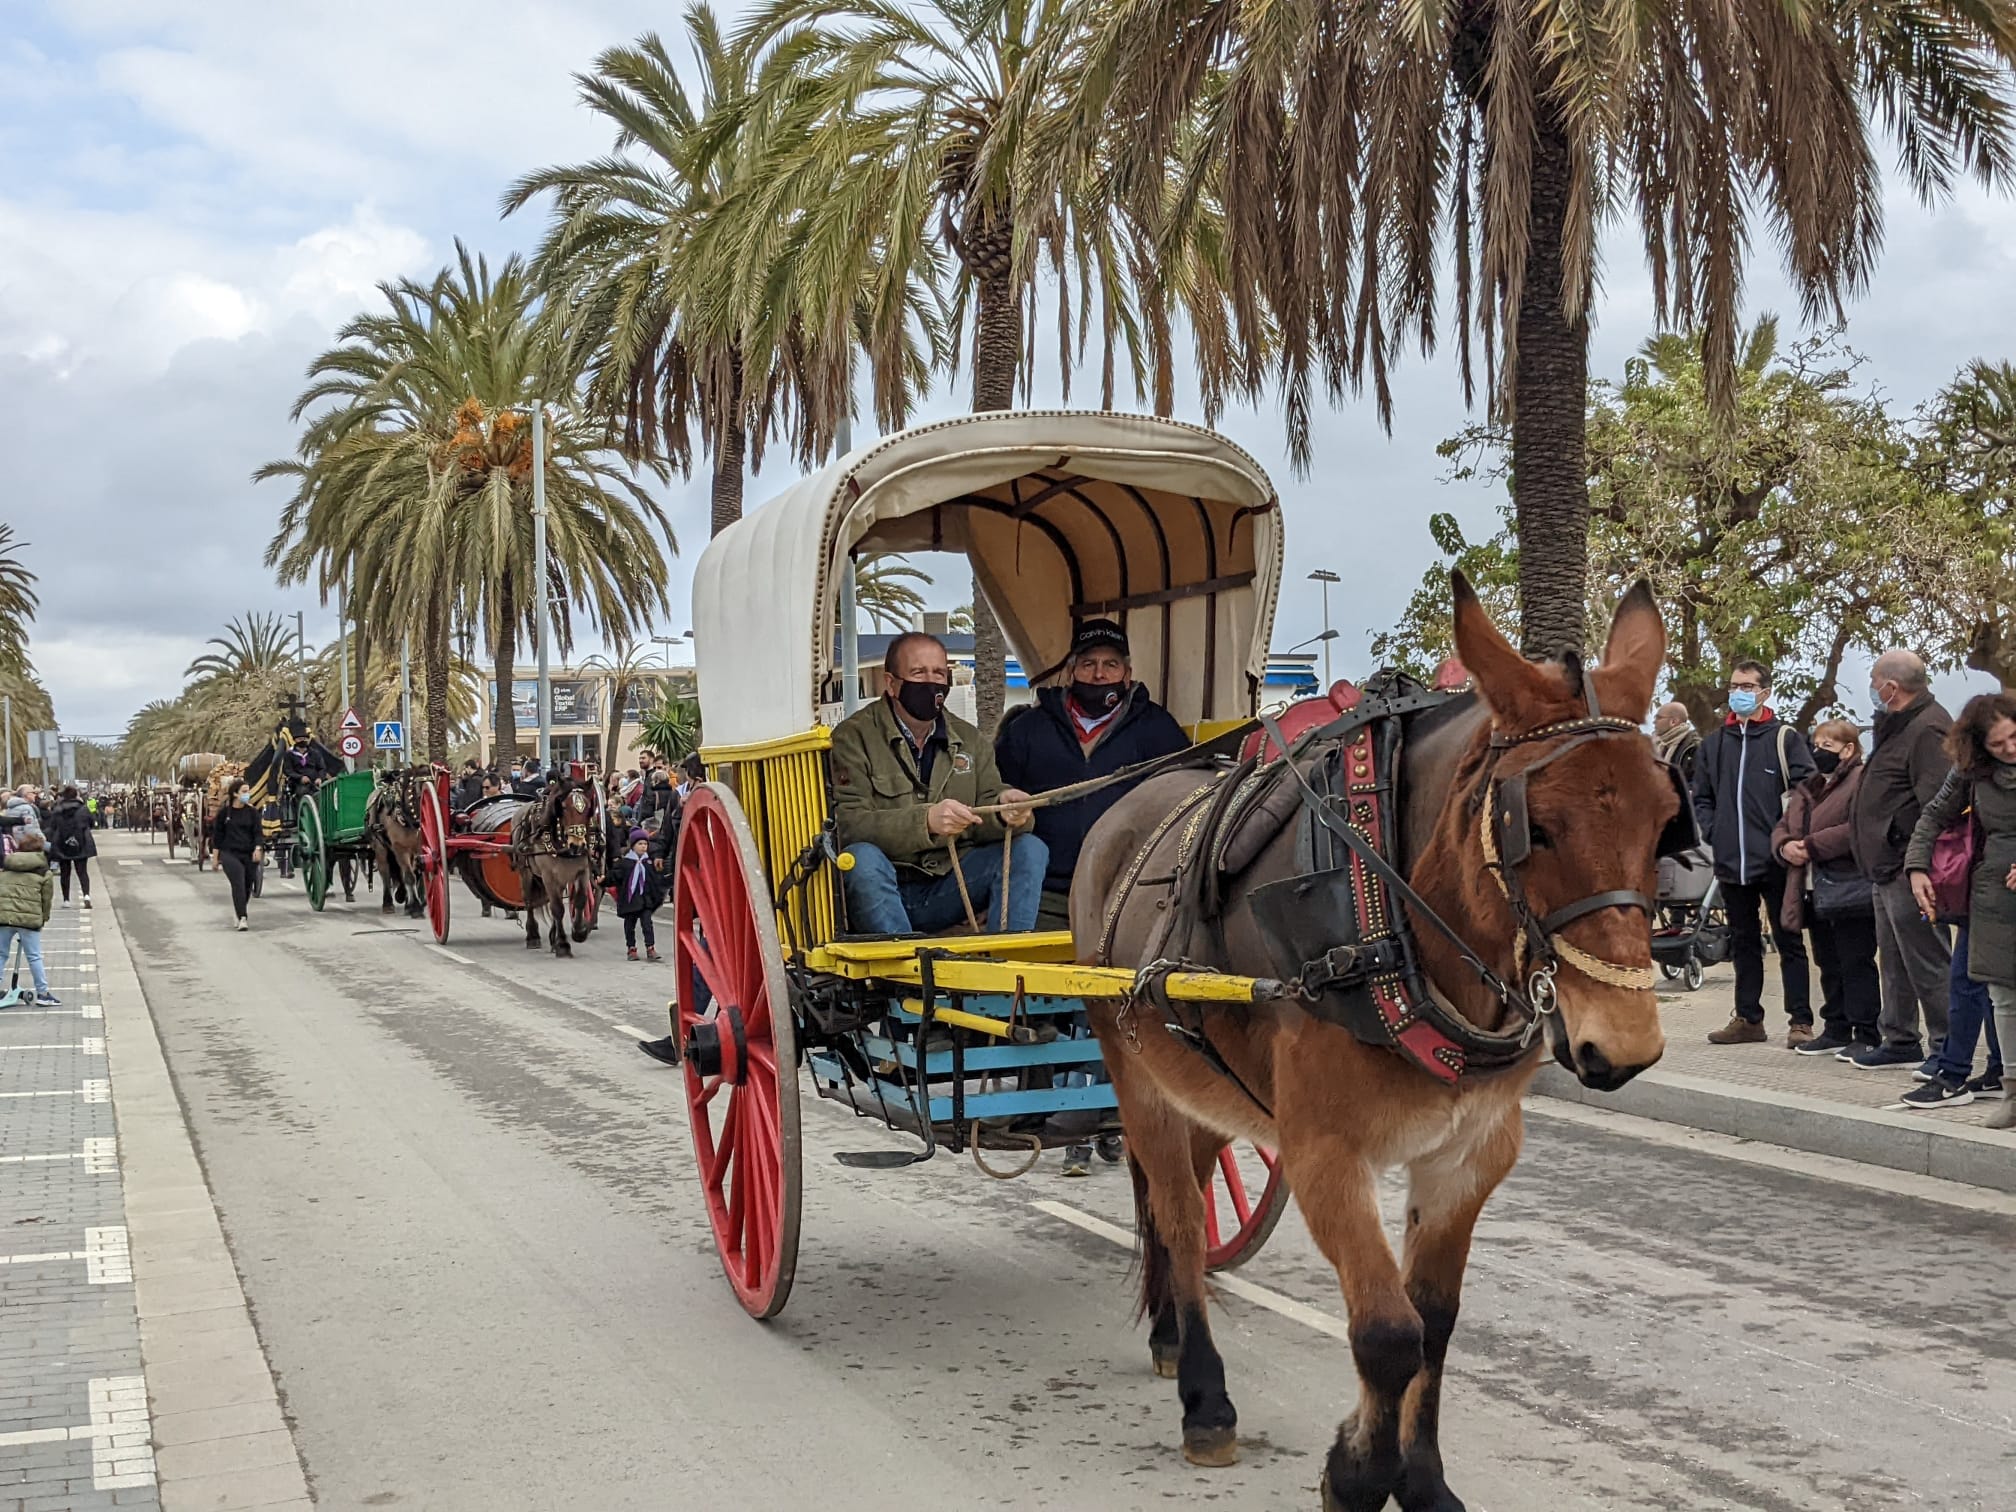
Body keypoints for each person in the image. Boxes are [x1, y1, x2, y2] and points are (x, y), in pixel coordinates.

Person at [830, 632, 1045, 934]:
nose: (931, 682)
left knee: (1030, 849)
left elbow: (988, 798)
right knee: (861, 859)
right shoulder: (852, 738)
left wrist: (1004, 810)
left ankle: (1006, 967)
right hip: (884, 887)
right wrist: (926, 822)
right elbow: (847, 825)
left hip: (950, 885)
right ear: (890, 683)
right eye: (918, 672)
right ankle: (906, 973)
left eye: (939, 673)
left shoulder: (970, 740)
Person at [996, 618, 1190, 928]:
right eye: (1088, 663)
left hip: (1125, 894)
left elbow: (1184, 798)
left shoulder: (1158, 728)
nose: (1099, 674)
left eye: (1110, 664)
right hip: (1042, 894)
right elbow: (993, 795)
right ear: (1071, 671)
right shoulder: (1027, 729)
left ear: (1127, 675)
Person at [1905, 693, 2016, 1129]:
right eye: (1998, 744)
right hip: (1994, 900)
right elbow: (1932, 816)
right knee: (2003, 998)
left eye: (2014, 737)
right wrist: (1917, 867)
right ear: (1978, 746)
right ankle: (2011, 1092)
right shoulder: (1970, 772)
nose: (2010, 748)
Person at [1693, 660, 1816, 1045]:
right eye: (1734, 685)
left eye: (1747, 686)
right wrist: (1716, 832)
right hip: (1732, 861)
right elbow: (1703, 797)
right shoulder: (1713, 744)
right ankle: (1748, 1018)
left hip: (1777, 859)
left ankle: (1800, 1021)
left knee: (1789, 940)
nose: (1738, 692)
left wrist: (1789, 837)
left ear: (1764, 692)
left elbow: (1807, 791)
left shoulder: (1785, 739)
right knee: (1743, 942)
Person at [1847, 649, 1955, 1070]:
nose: (1872, 687)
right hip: (1885, 867)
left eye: (1875, 680)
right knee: (1893, 960)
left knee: (1927, 961)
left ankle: (1948, 1045)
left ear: (1892, 686)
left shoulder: (1928, 729)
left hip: (1910, 868)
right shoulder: (1896, 725)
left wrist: (1913, 859)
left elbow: (1937, 804)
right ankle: (1900, 1037)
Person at [1771, 721, 1878, 1057]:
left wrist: (1813, 845)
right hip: (1811, 887)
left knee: (1855, 960)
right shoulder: (1808, 786)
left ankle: (1867, 1031)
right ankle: (1836, 1026)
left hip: (1849, 885)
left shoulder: (1862, 780)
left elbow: (1858, 826)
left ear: (1848, 749)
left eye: (1828, 744)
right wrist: (1786, 846)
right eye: (1816, 743)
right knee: (1827, 961)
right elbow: (1783, 825)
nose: (1819, 751)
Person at [0, 832, 58, 1005]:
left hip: (4, 917)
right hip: (29, 919)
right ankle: (43, 993)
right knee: (34, 956)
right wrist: (43, 918)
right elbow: (46, 900)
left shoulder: (7, 867)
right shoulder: (43, 872)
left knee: (1, 954)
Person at [211, 777, 264, 931]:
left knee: (248, 884)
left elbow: (258, 833)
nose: (247, 794)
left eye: (248, 791)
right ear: (235, 794)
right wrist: (215, 858)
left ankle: (238, 910)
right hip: (230, 853)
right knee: (238, 881)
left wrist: (258, 848)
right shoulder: (224, 814)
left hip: (248, 853)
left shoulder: (252, 812)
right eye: (244, 792)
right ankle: (243, 917)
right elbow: (218, 837)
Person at [613, 828, 666, 962]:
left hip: (645, 900)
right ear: (633, 846)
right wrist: (604, 879)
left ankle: (650, 948)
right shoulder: (625, 863)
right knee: (629, 926)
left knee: (647, 924)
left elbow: (655, 881)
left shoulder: (648, 862)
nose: (643, 847)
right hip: (630, 900)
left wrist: (657, 896)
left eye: (645, 844)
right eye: (640, 844)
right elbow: (616, 876)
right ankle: (631, 948)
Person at [46, 785, 97, 911]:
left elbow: (52, 826)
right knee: (82, 871)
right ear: (76, 795)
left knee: (65, 872)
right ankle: (86, 895)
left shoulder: (57, 809)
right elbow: (92, 822)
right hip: (81, 842)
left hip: (62, 843)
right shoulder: (83, 809)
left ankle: (66, 899)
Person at [1652, 702, 1702, 787]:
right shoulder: (1657, 744)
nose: (1654, 722)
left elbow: (1700, 784)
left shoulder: (1694, 748)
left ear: (1673, 722)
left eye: (1658, 718)